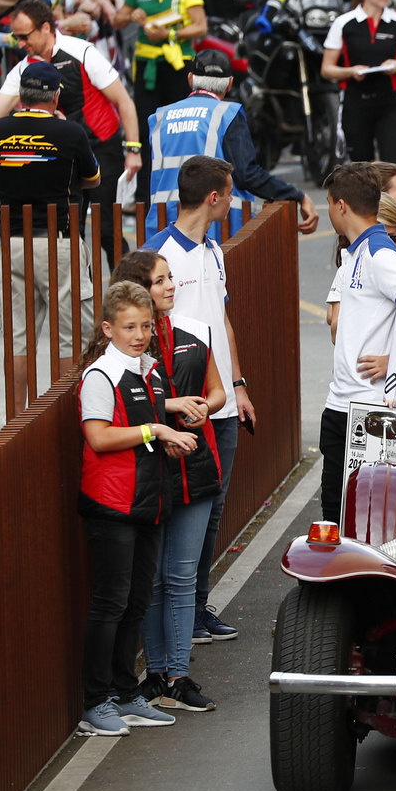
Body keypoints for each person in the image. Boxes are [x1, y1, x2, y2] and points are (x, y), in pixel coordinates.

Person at [0, 0, 142, 267]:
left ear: (45, 28)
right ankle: (79, 300)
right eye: (15, 37)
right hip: (63, 156)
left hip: (101, 146)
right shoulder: (24, 69)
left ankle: (125, 298)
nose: (19, 44)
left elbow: (124, 101)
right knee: (70, 231)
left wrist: (133, 149)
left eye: (23, 36)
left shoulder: (82, 52)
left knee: (107, 229)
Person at [75, 280, 200, 736]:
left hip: (147, 501)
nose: (140, 334)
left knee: (135, 602)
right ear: (108, 328)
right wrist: (158, 432)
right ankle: (96, 702)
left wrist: (169, 441)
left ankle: (127, 695)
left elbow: (139, 431)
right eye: (129, 326)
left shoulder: (149, 370)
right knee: (110, 604)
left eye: (146, 325)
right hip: (110, 505)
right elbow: (99, 437)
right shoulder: (100, 376)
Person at [143, 156, 255, 644]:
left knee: (212, 509)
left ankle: (196, 608)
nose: (231, 201)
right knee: (182, 515)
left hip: (220, 402)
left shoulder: (214, 249)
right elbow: (142, 335)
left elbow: (221, 323)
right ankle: (176, 618)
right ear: (214, 198)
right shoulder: (158, 255)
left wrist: (238, 384)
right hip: (184, 411)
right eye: (229, 194)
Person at [114, 250, 225, 715]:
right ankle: (156, 675)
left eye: (170, 279)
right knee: (154, 583)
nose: (170, 287)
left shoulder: (194, 333)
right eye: (160, 281)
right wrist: (172, 408)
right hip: (153, 474)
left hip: (196, 469)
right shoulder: (128, 349)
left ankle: (177, 676)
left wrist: (203, 406)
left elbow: (219, 391)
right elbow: (126, 409)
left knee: (180, 577)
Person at [0, 60, 101, 400]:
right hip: (58, 242)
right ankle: (65, 414)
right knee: (69, 334)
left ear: (21, 95)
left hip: (13, 243)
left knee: (19, 337)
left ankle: (18, 419)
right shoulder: (69, 133)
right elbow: (92, 178)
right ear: (55, 96)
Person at [146, 50, 318, 239]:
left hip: (163, 227)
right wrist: (297, 195)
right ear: (230, 83)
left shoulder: (160, 117)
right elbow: (247, 174)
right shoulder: (226, 114)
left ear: (190, 79)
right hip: (215, 229)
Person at [317, 162, 396, 523]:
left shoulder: (380, 255)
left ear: (340, 206)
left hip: (370, 408)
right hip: (341, 403)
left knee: (365, 514)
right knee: (334, 508)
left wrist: (393, 360)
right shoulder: (353, 252)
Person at [117, 0, 207, 196]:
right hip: (147, 66)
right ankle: (145, 193)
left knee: (180, 128)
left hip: (178, 64)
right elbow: (118, 19)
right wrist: (131, 16)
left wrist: (169, 35)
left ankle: (186, 191)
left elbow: (200, 26)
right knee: (147, 128)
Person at [320, 0, 396, 166]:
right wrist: (350, 71)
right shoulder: (344, 22)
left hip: (390, 103)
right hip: (356, 101)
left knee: (393, 168)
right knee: (361, 170)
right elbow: (327, 69)